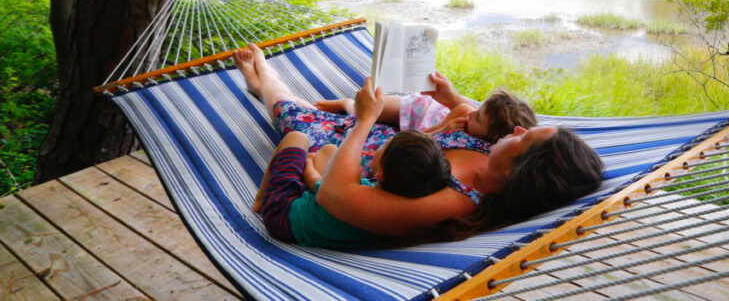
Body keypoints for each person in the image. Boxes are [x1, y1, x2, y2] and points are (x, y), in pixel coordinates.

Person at [234, 44, 603, 239]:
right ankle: (265, 84)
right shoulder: (494, 153)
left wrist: (364, 121)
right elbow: (477, 116)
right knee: (316, 114)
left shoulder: (455, 201)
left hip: (350, 161)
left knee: (296, 118)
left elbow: (334, 197)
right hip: (378, 144)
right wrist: (452, 99)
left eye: (524, 139)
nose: (519, 131)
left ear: (519, 171)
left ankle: (264, 76)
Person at [254, 129, 451, 248]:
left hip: (283, 214)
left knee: (297, 138)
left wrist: (309, 166)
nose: (379, 147)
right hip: (324, 219)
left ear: (381, 172)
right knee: (330, 151)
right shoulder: (392, 212)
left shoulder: (358, 196)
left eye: (384, 146)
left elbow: (319, 186)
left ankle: (261, 200)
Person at [314, 82, 537, 144]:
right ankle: (346, 104)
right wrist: (444, 128)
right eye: (477, 108)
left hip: (420, 126)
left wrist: (444, 132)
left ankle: (348, 107)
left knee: (369, 112)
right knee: (370, 107)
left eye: (478, 118)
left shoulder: (484, 149)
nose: (471, 113)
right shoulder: (463, 112)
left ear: (492, 138)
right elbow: (426, 132)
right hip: (420, 109)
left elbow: (422, 141)